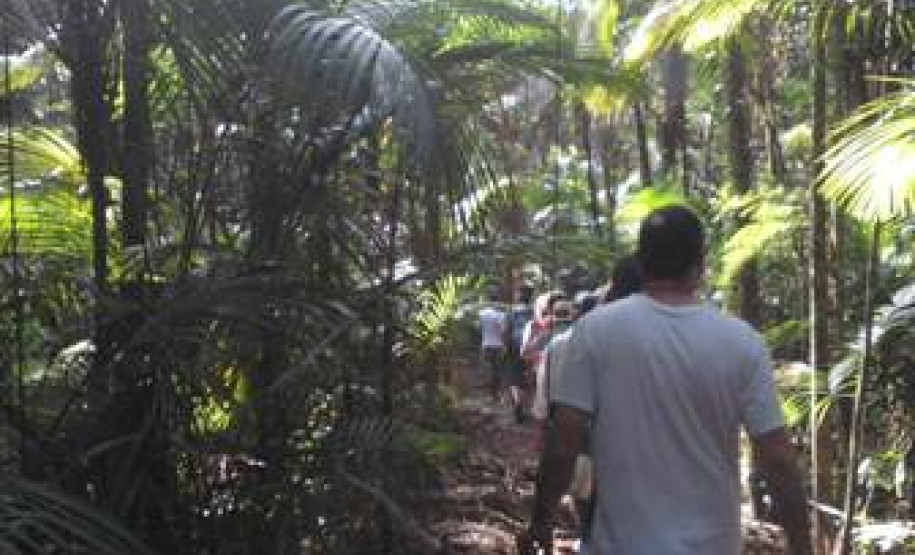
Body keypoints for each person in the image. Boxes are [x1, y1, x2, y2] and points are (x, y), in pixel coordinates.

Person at [519, 206, 811, 555]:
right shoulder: (741, 342)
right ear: (700, 265)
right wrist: (803, 545)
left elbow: (563, 443)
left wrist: (541, 521)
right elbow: (778, 457)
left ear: (641, 262)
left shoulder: (596, 332)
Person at [504, 285, 535, 422]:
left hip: (514, 347)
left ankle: (518, 403)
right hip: (531, 347)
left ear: (519, 296)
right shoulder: (534, 312)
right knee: (528, 376)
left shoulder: (511, 312)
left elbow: (505, 331)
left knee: (513, 377)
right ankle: (527, 406)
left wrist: (505, 346)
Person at [478, 291, 507, 401]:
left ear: (488, 300)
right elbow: (503, 330)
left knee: (488, 370)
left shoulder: (481, 313)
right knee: (498, 371)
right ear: (497, 301)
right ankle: (496, 394)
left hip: (486, 344)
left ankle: (490, 394)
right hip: (498, 345)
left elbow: (479, 328)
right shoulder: (501, 314)